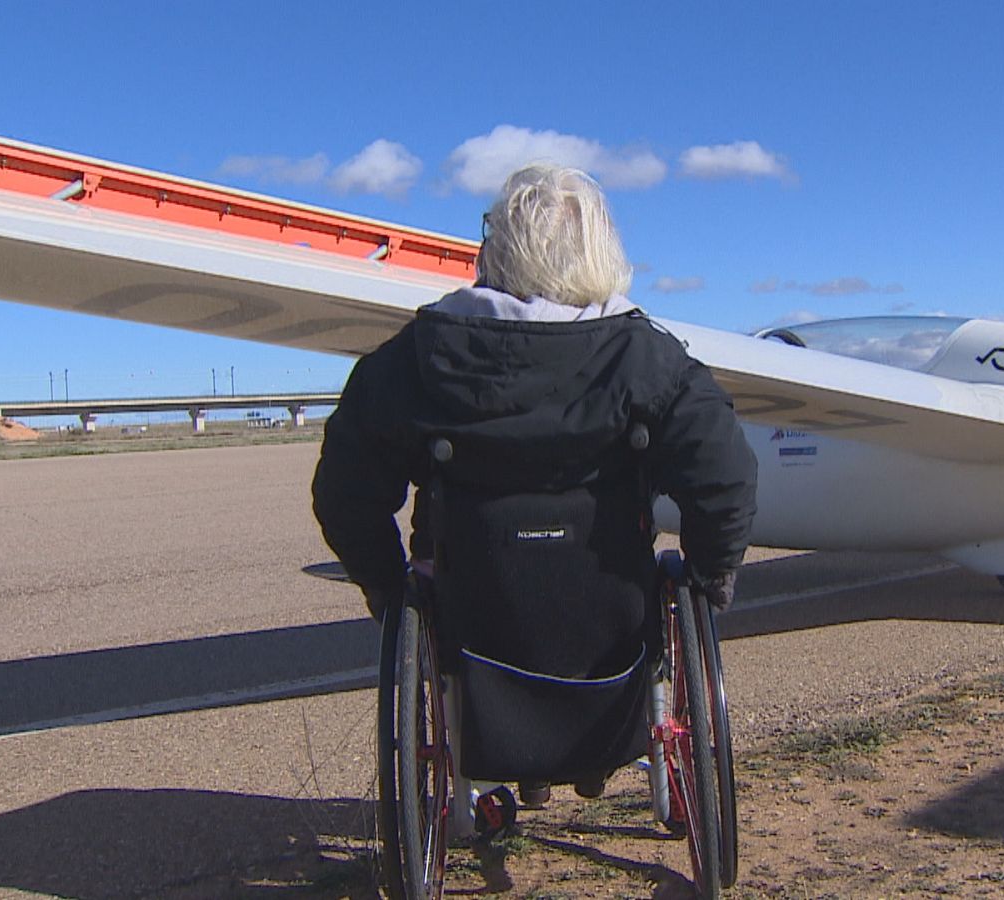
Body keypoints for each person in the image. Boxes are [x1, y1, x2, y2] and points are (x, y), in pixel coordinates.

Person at [312, 162, 757, 623]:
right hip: (615, 629)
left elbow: (343, 493)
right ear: (599, 250)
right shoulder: (650, 360)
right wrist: (710, 580)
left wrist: (387, 587)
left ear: (495, 250)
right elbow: (726, 475)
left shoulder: (416, 357)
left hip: (463, 628)